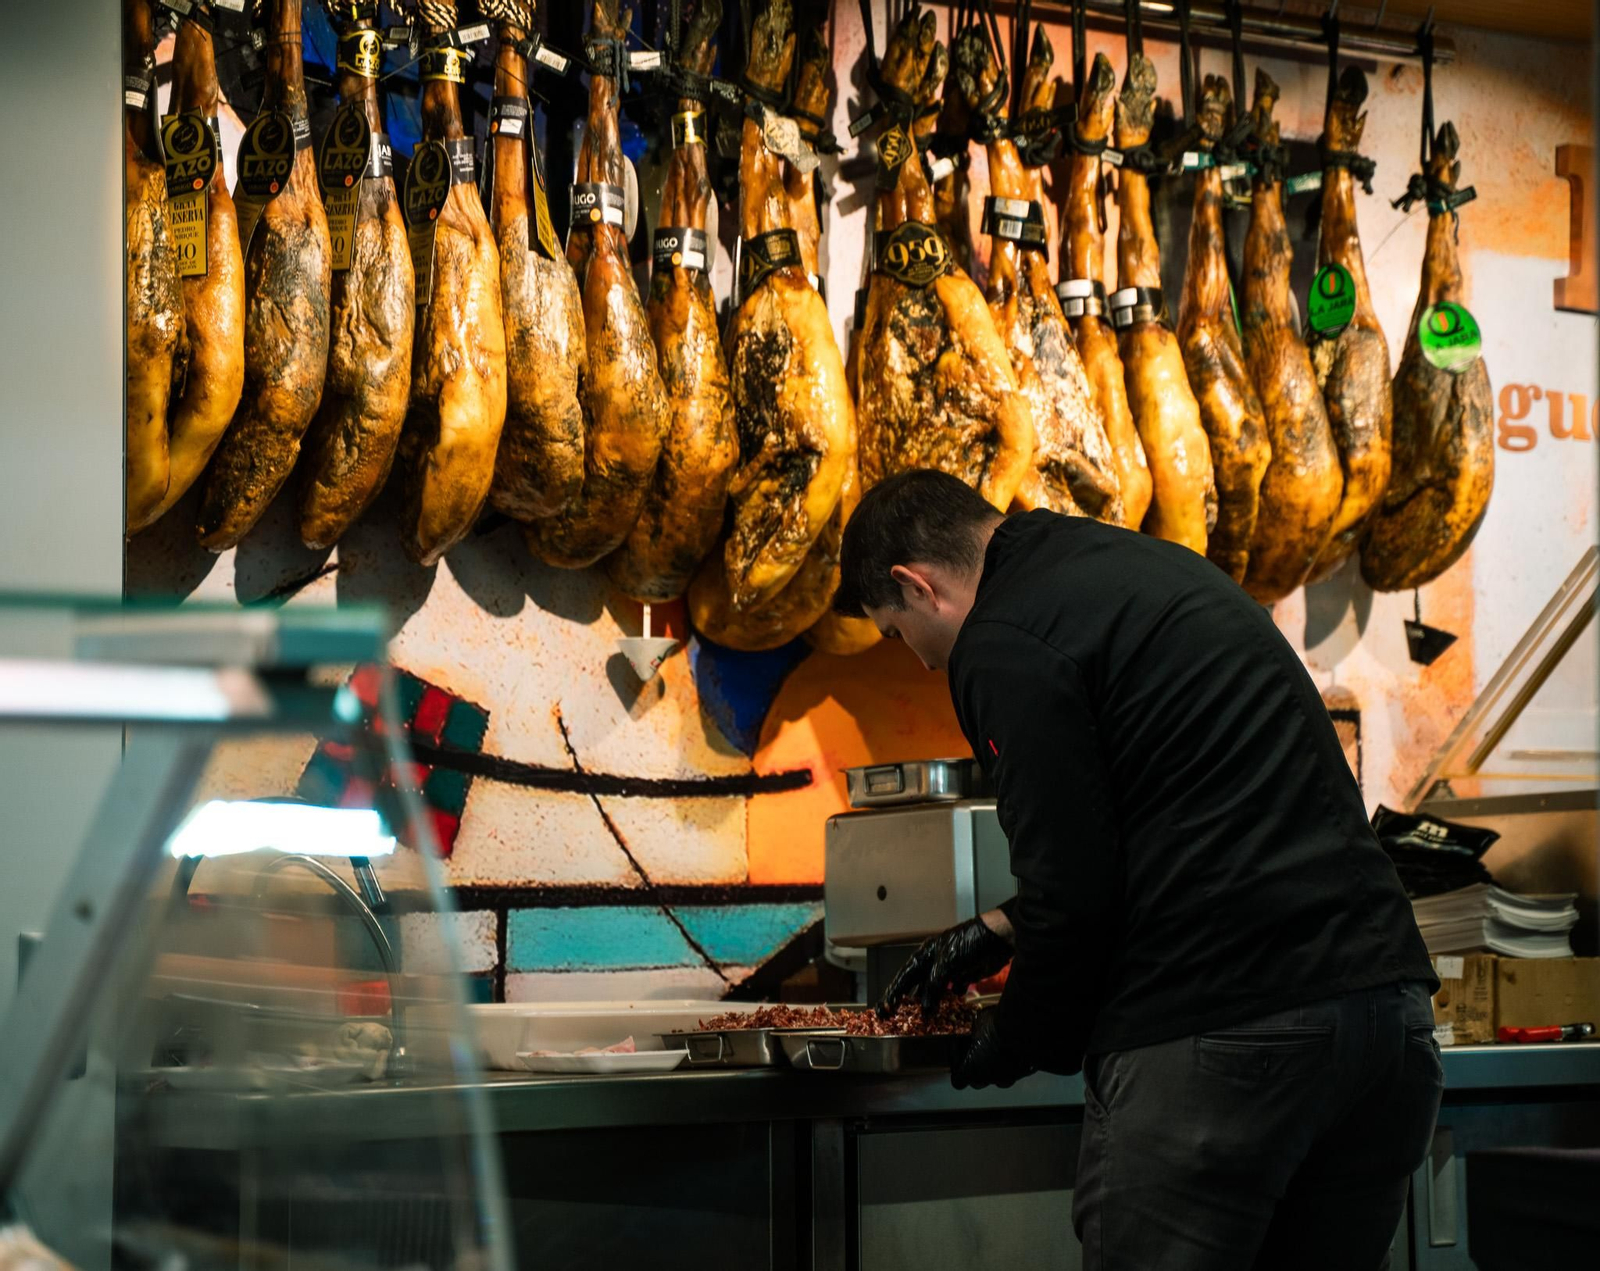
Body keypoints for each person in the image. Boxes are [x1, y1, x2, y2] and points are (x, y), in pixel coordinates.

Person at [833, 469, 1443, 1271]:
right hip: (1386, 1022)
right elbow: (1173, 817)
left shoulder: (1001, 639)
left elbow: (1076, 899)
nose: (914, 660)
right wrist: (995, 929)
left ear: (919, 584)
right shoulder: (1131, 568)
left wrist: (1007, 1041)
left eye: (894, 630)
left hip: (1225, 1032)